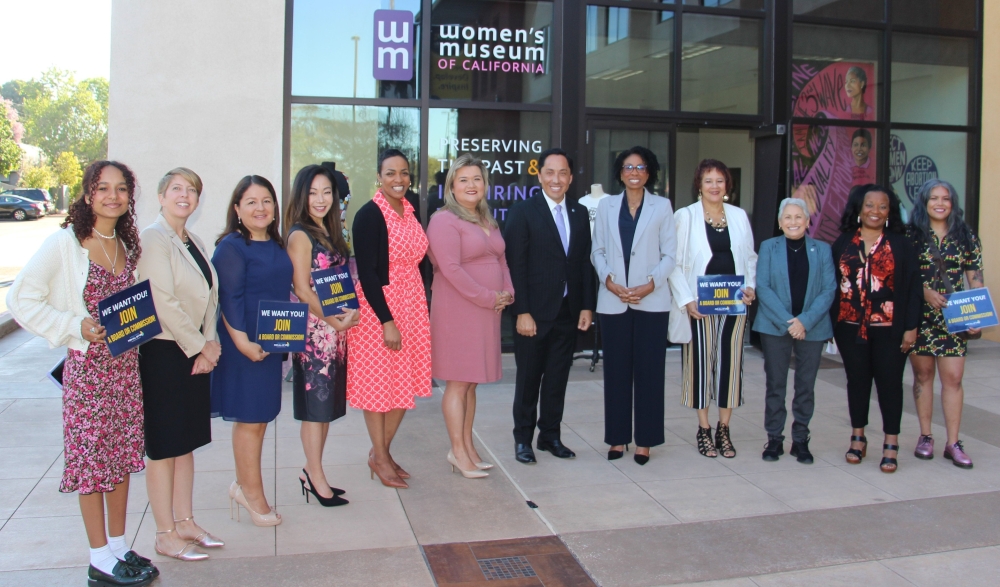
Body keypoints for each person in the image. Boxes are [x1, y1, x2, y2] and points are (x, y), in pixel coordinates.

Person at [7, 161, 157, 586]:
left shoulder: (127, 246)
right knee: (93, 464)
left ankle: (118, 546)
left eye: (122, 188)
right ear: (88, 194)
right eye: (103, 188)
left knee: (122, 458)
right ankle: (98, 559)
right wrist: (74, 327)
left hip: (125, 371)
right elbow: (22, 298)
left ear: (130, 196)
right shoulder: (66, 244)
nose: (113, 196)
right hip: (88, 375)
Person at [137, 168, 223, 561]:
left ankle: (186, 521)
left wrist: (211, 341)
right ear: (161, 196)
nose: (185, 195)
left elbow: (208, 297)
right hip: (166, 353)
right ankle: (164, 533)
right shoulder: (154, 238)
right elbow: (160, 299)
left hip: (193, 350)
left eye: (192, 190)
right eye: (177, 189)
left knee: (186, 442)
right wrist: (199, 347)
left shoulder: (193, 240)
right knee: (164, 446)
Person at [505, 148, 595, 464]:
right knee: (529, 379)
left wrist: (586, 306)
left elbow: (583, 262)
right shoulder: (523, 211)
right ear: (540, 175)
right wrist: (522, 311)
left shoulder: (580, 213)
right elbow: (515, 265)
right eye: (550, 172)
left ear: (570, 178)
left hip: (568, 312)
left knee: (557, 378)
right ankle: (523, 440)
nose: (556, 179)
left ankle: (550, 436)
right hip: (534, 314)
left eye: (563, 173)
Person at [426, 154, 514, 478]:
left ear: (485, 183)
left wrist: (508, 290)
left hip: (486, 309)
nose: (471, 185)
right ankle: (457, 452)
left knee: (471, 384)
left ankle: (468, 447)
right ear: (451, 185)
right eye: (463, 179)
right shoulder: (444, 219)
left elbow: (501, 260)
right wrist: (489, 296)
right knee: (458, 383)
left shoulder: (486, 219)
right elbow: (450, 269)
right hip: (459, 308)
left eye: (476, 178)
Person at [349, 149, 432, 489]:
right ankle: (380, 457)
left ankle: (380, 451)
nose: (398, 179)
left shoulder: (410, 212)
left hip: (412, 305)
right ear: (379, 177)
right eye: (390, 173)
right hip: (379, 309)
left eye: (404, 173)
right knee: (378, 385)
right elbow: (367, 273)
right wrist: (387, 320)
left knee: (405, 383)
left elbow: (419, 260)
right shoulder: (369, 215)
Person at [211, 175, 292, 525]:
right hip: (243, 344)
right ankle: (251, 494)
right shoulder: (231, 246)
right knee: (249, 419)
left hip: (271, 344)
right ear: (237, 209)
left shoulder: (276, 244)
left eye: (266, 201)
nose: (260, 208)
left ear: (275, 208)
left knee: (261, 418)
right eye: (251, 202)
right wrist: (243, 343)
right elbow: (229, 298)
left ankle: (244, 486)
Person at [591, 146, 676, 464]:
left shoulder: (662, 206)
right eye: (628, 167)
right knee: (615, 372)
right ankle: (617, 438)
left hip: (651, 300)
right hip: (613, 300)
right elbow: (596, 250)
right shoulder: (606, 206)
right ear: (620, 172)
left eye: (640, 167)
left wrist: (650, 284)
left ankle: (646, 441)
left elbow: (670, 254)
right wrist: (609, 282)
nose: (634, 172)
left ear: (649, 172)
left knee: (650, 373)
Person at [668, 159, 757, 458]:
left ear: (727, 184)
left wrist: (751, 287)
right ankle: (704, 429)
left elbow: (750, 257)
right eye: (709, 180)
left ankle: (724, 429)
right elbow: (675, 264)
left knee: (730, 367)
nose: (715, 186)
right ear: (699, 184)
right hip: (700, 305)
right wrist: (686, 300)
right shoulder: (686, 217)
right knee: (700, 366)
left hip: (733, 304)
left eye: (720, 180)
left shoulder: (739, 216)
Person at [832, 184, 921, 474]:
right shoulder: (843, 242)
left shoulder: (901, 244)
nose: (876, 211)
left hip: (890, 329)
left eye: (883, 206)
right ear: (859, 208)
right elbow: (832, 285)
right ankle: (858, 437)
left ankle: (890, 443)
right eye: (870, 205)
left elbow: (913, 289)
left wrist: (911, 328)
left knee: (889, 384)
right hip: (849, 327)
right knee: (857, 382)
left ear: (890, 212)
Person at [285, 164, 360, 505]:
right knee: (315, 409)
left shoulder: (329, 232)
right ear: (302, 195)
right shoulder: (301, 235)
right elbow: (301, 289)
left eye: (326, 192)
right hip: (316, 337)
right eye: (313, 192)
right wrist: (333, 319)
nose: (320, 199)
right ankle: (315, 477)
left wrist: (350, 309)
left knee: (326, 408)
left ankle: (312, 469)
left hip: (335, 334)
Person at [753, 198, 836, 464]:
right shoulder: (769, 247)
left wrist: (805, 322)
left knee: (805, 386)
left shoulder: (822, 250)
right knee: (775, 384)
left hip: (812, 328)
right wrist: (790, 322)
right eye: (787, 217)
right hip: (775, 326)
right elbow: (763, 287)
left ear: (808, 220)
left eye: (798, 217)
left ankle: (801, 439)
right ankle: (774, 438)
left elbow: (828, 290)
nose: (793, 222)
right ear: (780, 222)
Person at [907, 179, 983, 468]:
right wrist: (924, 292)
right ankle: (926, 436)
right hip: (920, 317)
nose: (940, 203)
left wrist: (977, 316)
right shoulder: (912, 236)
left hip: (954, 318)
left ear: (953, 203)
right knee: (923, 377)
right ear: (924, 202)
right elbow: (903, 276)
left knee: (953, 379)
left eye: (946, 198)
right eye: (934, 198)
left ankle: (953, 442)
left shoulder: (966, 236)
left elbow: (975, 278)